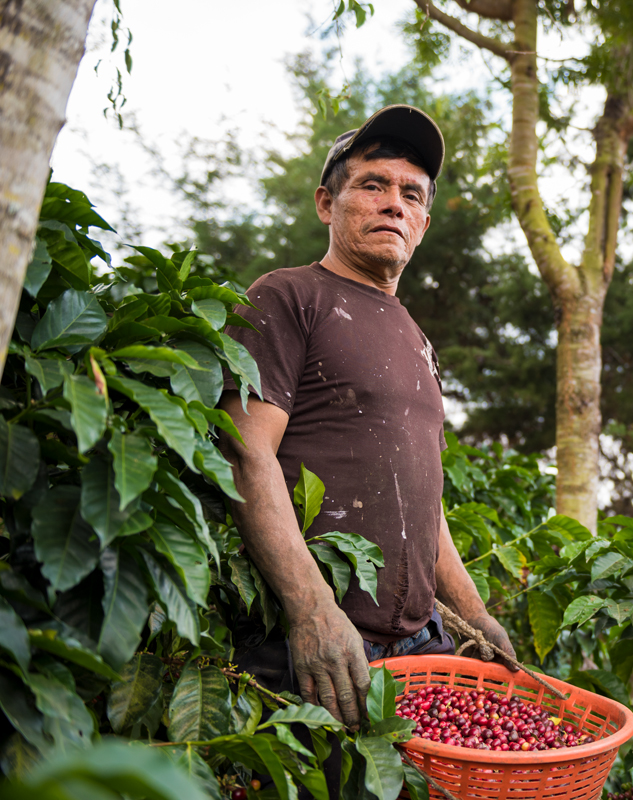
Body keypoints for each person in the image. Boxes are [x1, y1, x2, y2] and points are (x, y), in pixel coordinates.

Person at [217, 105, 515, 732]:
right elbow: (245, 453)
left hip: (420, 645)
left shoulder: (416, 337)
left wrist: (475, 612)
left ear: (424, 224)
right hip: (322, 645)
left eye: (411, 194)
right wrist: (311, 611)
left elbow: (421, 500)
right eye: (373, 185)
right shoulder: (287, 296)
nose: (394, 204)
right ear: (328, 203)